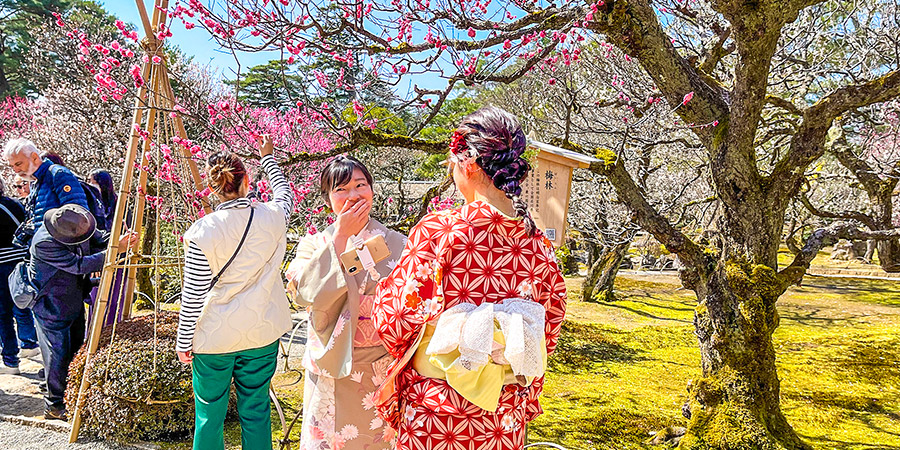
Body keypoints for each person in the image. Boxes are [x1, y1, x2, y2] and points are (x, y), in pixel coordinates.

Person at [372, 107, 567, 450]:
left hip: (438, 410)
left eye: (453, 163)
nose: (452, 172)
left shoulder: (441, 231)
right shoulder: (538, 244)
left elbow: (396, 319)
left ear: (471, 163)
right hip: (503, 411)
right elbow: (549, 328)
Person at [176, 135, 294, 450]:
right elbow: (285, 193)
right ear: (247, 180)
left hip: (214, 337)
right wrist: (267, 156)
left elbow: (194, 294)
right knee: (256, 410)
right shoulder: (274, 215)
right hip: (261, 331)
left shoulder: (202, 231)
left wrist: (183, 341)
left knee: (208, 416)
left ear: (212, 188)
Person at [286, 155, 406, 450]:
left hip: (383, 369)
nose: (353, 195)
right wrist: (338, 237)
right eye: (341, 189)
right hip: (332, 366)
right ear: (328, 199)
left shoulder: (399, 243)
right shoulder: (313, 244)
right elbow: (302, 293)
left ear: (373, 190)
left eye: (360, 185)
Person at [29, 204, 137, 420]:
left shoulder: (78, 223)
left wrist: (121, 239)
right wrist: (116, 250)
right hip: (50, 304)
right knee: (57, 354)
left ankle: (73, 393)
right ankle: (54, 404)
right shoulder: (44, 243)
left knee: (77, 346)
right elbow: (79, 265)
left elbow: (100, 238)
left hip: (73, 296)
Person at [3, 138, 88, 238]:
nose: (15, 170)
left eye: (18, 164)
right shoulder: (37, 181)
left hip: (59, 248)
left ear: (34, 157)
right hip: (45, 248)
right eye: (12, 166)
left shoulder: (58, 175)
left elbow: (78, 216)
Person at [0, 178, 40, 374]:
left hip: (0, 265)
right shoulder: (15, 205)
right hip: (20, 261)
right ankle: (29, 343)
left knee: (3, 313)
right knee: (22, 303)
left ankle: (10, 359)